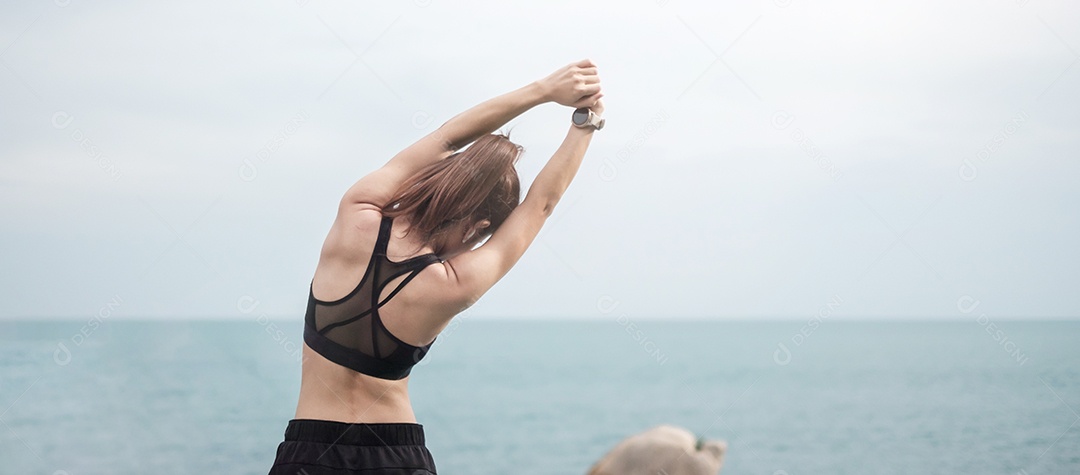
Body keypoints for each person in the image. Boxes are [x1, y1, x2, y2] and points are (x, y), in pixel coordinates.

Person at [267, 58, 606, 475]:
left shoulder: (358, 211)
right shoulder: (453, 284)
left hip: (307, 453)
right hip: (396, 458)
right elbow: (541, 206)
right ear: (480, 227)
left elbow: (448, 138)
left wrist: (542, 90)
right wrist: (585, 123)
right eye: (479, 239)